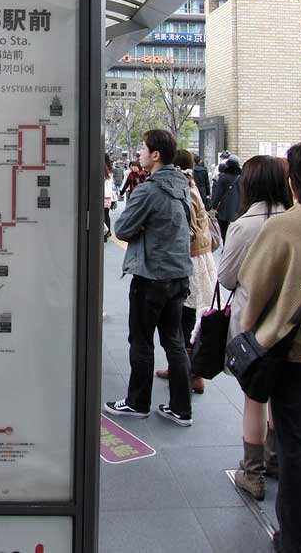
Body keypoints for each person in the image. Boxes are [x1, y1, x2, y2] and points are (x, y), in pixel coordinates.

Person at [238, 142, 301, 553]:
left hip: (292, 356)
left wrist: (251, 334)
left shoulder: (285, 228)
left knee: (295, 448)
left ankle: (297, 540)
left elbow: (254, 291)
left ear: (296, 182)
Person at [104, 129, 193, 426]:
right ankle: (182, 409)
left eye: (143, 148)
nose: (139, 154)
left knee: (141, 340)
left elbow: (123, 229)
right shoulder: (183, 185)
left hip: (151, 276)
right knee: (174, 341)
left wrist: (142, 229)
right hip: (179, 275)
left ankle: (137, 403)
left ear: (156, 155)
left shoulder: (148, 190)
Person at [217, 156, 292, 500]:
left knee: (254, 399)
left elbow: (226, 277)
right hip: (292, 323)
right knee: (280, 393)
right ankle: (277, 460)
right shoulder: (295, 219)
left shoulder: (244, 225)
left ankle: (253, 473)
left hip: (254, 324)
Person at [156, 149, 217, 394]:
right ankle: (182, 368)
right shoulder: (190, 187)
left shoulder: (187, 191)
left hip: (191, 261)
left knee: (185, 319)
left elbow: (186, 230)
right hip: (196, 258)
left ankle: (193, 372)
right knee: (184, 319)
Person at [210, 154, 242, 241]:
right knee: (236, 230)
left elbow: (218, 193)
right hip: (238, 208)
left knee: (224, 230)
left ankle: (225, 246)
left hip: (224, 207)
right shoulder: (242, 177)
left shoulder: (223, 176)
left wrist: (213, 206)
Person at [103, 153, 117, 242]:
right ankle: (107, 233)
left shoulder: (103, 168)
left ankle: (105, 233)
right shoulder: (110, 169)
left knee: (102, 215)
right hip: (109, 196)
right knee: (106, 214)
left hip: (103, 195)